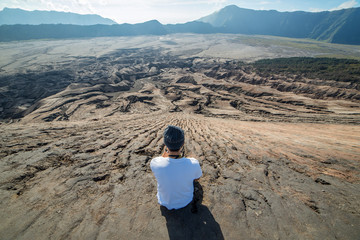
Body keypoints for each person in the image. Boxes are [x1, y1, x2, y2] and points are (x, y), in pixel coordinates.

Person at [150, 125, 202, 210]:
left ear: (165, 144)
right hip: (186, 201)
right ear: (183, 143)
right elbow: (197, 178)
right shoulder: (194, 163)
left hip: (164, 201)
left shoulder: (155, 163)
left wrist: (166, 152)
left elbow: (163, 161)